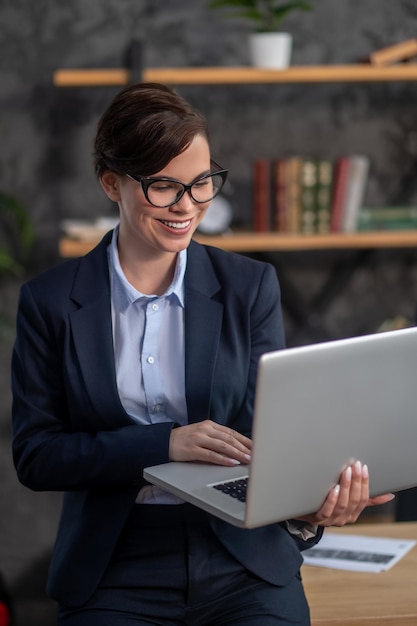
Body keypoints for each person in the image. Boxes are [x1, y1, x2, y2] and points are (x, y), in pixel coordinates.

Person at [11, 82, 393, 626]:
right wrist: (163, 444)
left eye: (202, 183)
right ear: (110, 183)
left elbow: (271, 436)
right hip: (115, 567)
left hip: (240, 557)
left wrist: (310, 506)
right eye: (165, 187)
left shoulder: (249, 285)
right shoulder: (50, 302)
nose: (188, 207)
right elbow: (37, 455)